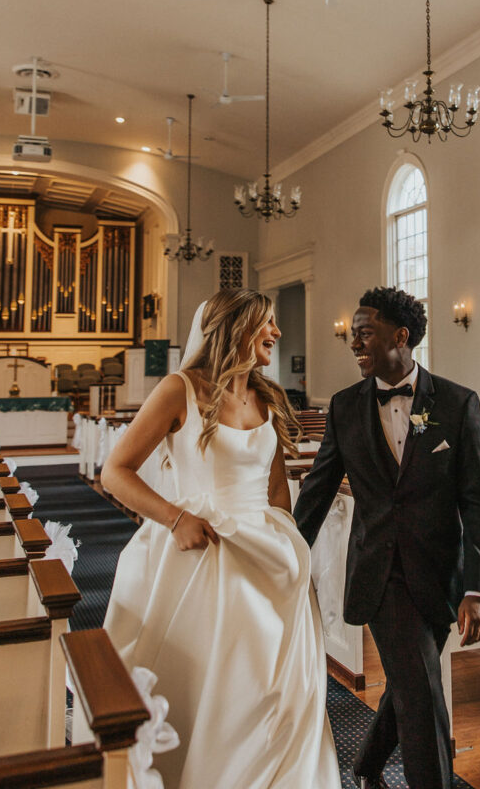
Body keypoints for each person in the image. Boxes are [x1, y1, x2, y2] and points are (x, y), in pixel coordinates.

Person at [102, 289, 341, 789]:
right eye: (267, 324)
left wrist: (290, 557)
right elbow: (115, 472)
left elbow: (277, 490)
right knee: (225, 685)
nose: (276, 333)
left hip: (269, 559)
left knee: (283, 689)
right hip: (205, 554)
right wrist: (174, 518)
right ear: (235, 327)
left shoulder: (267, 397)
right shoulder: (179, 390)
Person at [294, 287, 480, 789]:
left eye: (364, 333)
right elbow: (318, 492)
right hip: (379, 572)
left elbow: (478, 500)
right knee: (423, 692)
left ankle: (366, 767)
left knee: (411, 681)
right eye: (354, 335)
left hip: (440, 575)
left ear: (401, 336)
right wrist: (286, 556)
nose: (353, 343)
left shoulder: (456, 403)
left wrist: (478, 587)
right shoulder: (344, 408)